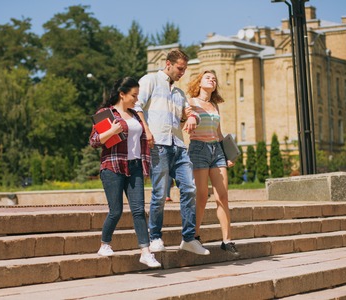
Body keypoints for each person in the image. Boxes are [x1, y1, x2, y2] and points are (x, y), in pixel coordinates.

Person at [135, 49, 210, 255]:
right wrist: (146, 130)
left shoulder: (179, 93)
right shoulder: (150, 80)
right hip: (158, 144)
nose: (182, 73)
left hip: (178, 145)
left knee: (190, 189)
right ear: (168, 64)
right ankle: (155, 236)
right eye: (180, 68)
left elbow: (187, 114)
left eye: (185, 69)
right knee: (159, 193)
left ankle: (188, 238)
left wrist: (192, 117)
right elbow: (136, 105)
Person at [89, 77, 161, 268]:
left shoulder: (135, 115)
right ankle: (105, 243)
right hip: (113, 167)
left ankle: (145, 252)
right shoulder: (106, 113)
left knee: (138, 211)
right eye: (133, 95)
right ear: (122, 94)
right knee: (116, 211)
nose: (136, 100)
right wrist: (112, 131)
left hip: (135, 166)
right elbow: (94, 141)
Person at [186, 70, 240, 256]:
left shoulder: (215, 106)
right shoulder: (191, 102)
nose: (212, 80)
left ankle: (227, 240)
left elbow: (219, 133)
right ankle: (195, 235)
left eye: (214, 79)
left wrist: (227, 154)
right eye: (208, 77)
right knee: (201, 196)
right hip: (198, 149)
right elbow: (185, 123)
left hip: (216, 150)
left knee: (222, 196)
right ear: (199, 82)